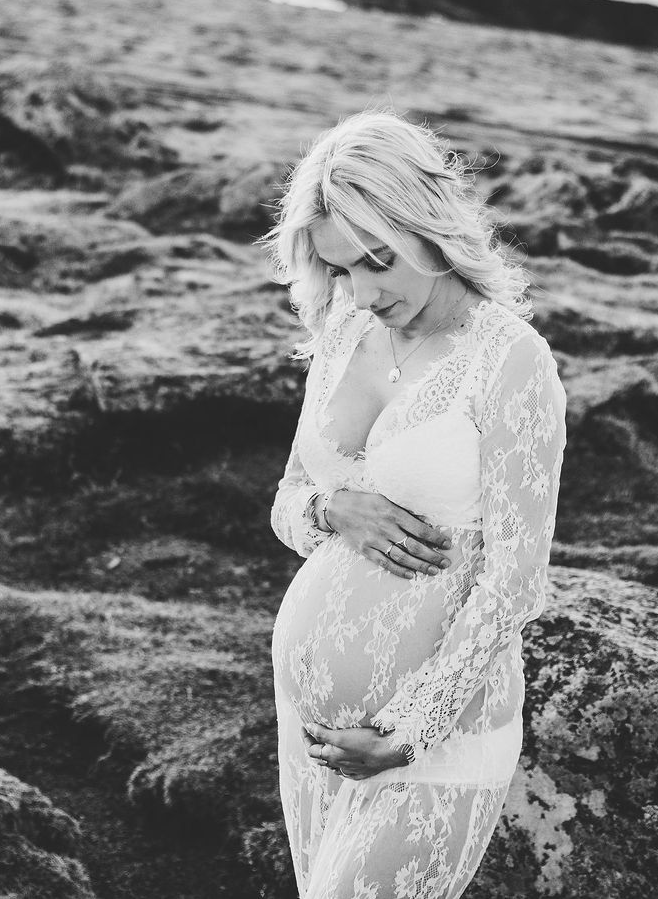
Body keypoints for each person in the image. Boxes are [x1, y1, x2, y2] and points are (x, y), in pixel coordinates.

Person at [260, 106, 568, 899]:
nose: (361, 290)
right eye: (338, 267)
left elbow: (515, 579)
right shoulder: (342, 336)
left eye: (378, 260)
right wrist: (337, 511)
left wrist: (405, 733)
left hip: (433, 744)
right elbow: (290, 499)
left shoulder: (510, 360)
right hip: (314, 730)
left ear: (432, 230)